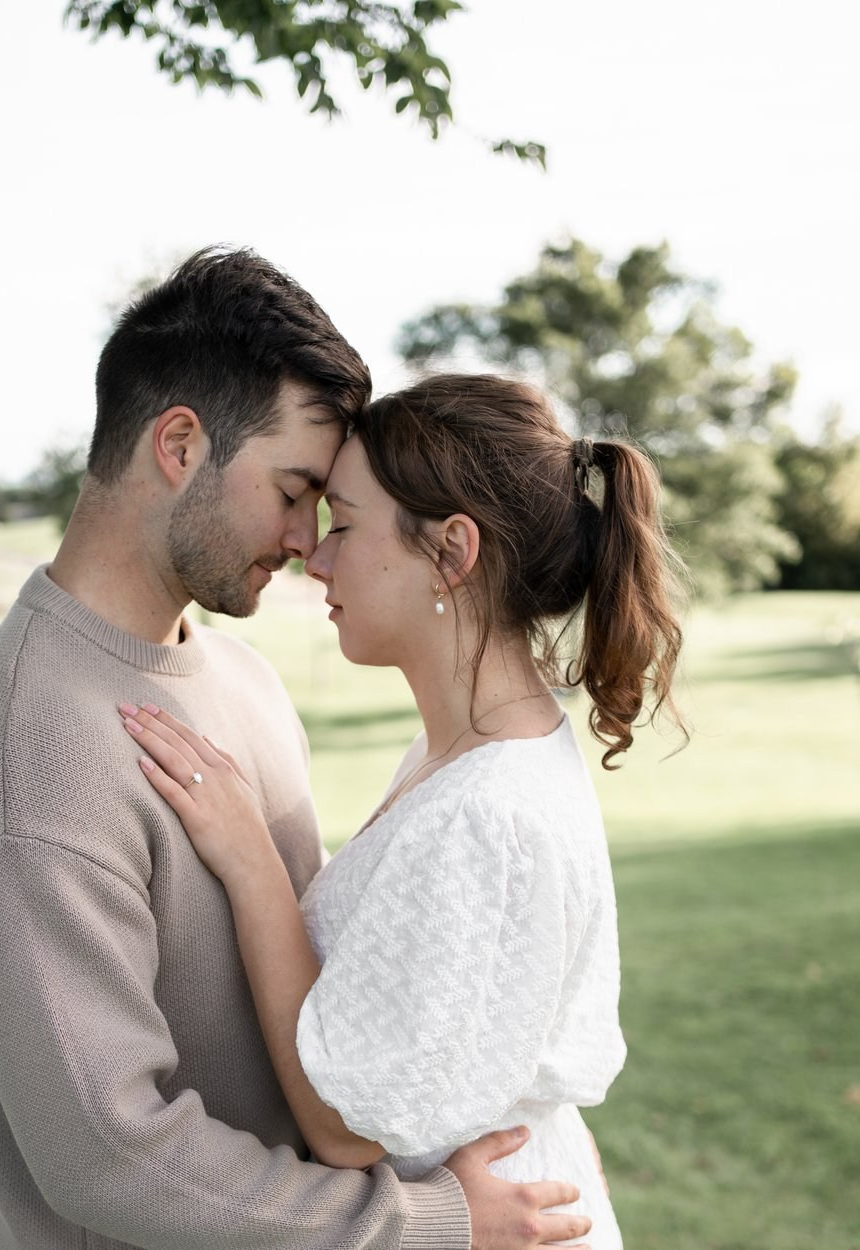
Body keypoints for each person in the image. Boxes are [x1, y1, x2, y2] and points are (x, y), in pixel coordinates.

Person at [0, 251, 594, 1250]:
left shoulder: (244, 683)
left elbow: (331, 1003)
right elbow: (113, 1156)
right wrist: (432, 1220)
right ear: (180, 445)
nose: (307, 536)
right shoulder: (28, 757)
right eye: (292, 488)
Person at [120, 373, 687, 1250]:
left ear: (452, 553)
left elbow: (348, 1129)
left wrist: (249, 860)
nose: (316, 556)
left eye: (344, 523)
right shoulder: (457, 757)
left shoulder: (484, 812)